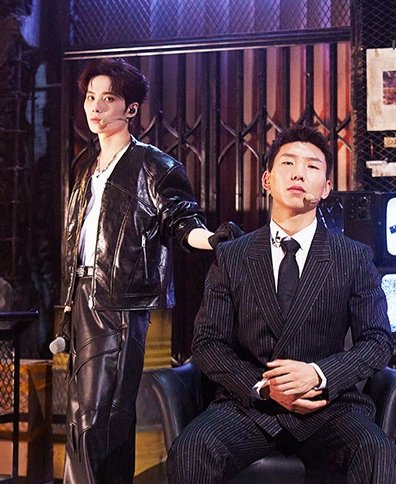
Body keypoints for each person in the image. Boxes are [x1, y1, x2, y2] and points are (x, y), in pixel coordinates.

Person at [167, 125, 396, 483]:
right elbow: (208, 343)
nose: (298, 173)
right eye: (288, 163)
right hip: (250, 406)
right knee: (192, 448)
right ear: (267, 180)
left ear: (326, 187)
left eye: (312, 166)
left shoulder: (353, 257)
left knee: (375, 450)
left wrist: (319, 374)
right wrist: (263, 386)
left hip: (327, 406)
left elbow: (377, 341)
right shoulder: (233, 255)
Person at [58, 57, 242, 483]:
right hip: (81, 298)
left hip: (120, 303)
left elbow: (182, 221)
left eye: (108, 99)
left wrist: (213, 240)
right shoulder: (88, 172)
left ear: (131, 109)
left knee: (95, 418)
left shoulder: (154, 165)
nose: (95, 107)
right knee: (86, 417)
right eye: (90, 97)